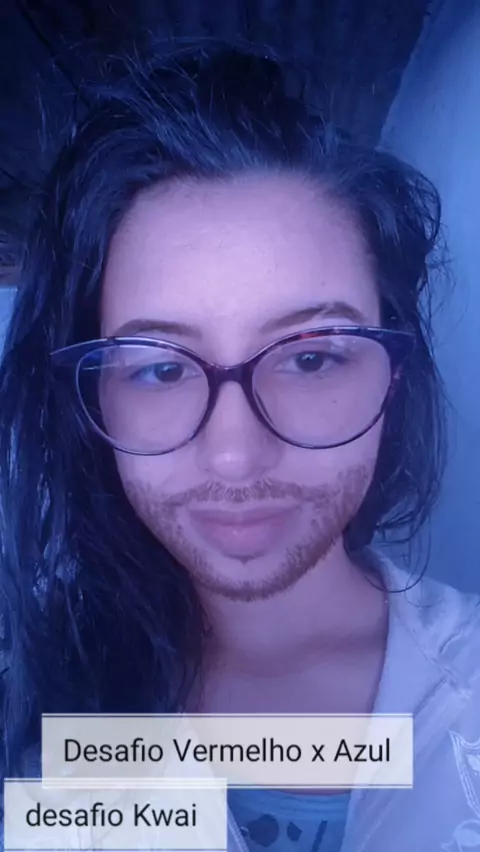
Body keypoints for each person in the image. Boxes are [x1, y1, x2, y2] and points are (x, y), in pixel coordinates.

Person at [0, 41, 479, 852]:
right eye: (158, 368)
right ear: (93, 396)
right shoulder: (31, 702)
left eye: (312, 358)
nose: (234, 457)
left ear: (394, 372)